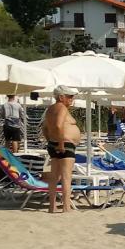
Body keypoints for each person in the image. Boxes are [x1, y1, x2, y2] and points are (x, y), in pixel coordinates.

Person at [43, 85, 81, 214]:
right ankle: (66, 207)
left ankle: (52, 206)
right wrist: (61, 144)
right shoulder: (62, 108)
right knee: (66, 176)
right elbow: (59, 125)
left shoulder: (50, 109)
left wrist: (51, 141)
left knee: (54, 176)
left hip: (54, 143)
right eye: (69, 96)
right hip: (64, 144)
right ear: (61, 97)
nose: (72, 99)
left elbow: (45, 128)